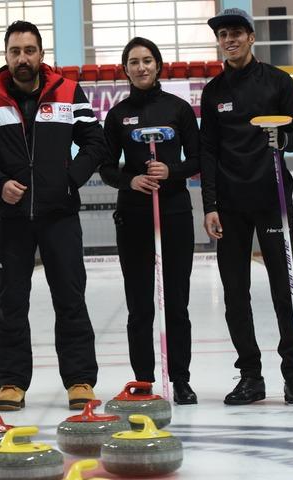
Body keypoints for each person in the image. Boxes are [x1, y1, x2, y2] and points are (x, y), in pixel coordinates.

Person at [0, 20, 108, 411]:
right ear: (6, 55)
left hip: (59, 215)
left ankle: (79, 380)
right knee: (11, 300)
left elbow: (96, 143)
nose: (22, 58)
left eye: (29, 50)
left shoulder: (67, 92)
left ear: (41, 54)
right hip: (12, 219)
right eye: (15, 51)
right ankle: (11, 382)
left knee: (70, 296)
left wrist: (70, 180)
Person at [200, 8, 293, 405]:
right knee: (235, 293)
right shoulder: (214, 93)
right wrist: (209, 204)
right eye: (222, 35)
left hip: (273, 200)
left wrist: (280, 140)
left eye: (235, 33)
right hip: (229, 205)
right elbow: (207, 152)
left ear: (251, 37)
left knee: (285, 289)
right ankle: (250, 376)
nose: (228, 40)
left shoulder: (278, 82)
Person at [99, 37, 200, 405]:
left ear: (158, 65)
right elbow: (106, 167)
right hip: (134, 215)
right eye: (134, 62)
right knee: (140, 304)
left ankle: (182, 378)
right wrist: (132, 179)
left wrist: (171, 171)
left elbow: (199, 158)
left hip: (174, 213)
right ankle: (143, 380)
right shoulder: (117, 114)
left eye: (147, 60)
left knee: (176, 302)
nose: (141, 67)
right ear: (125, 69)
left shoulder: (178, 109)